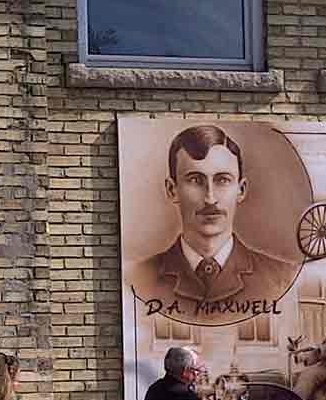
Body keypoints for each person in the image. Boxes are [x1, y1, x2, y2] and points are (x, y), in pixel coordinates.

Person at [126, 125, 300, 325]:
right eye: (195, 180)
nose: (210, 198)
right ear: (172, 190)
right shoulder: (136, 279)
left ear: (241, 190)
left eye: (222, 180)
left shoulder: (282, 278)